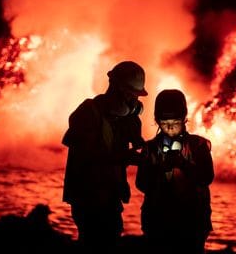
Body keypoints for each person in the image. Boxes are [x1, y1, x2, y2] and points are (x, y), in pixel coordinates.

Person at [62, 60, 148, 251]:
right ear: (118, 90)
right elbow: (90, 157)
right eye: (131, 95)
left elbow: (127, 146)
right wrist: (127, 157)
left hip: (110, 197)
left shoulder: (120, 118)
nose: (134, 102)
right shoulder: (88, 113)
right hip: (88, 199)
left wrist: (137, 138)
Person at [136, 89, 214, 253]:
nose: (170, 128)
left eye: (175, 122)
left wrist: (183, 166)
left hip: (192, 223)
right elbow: (141, 183)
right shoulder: (149, 148)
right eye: (165, 123)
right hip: (158, 222)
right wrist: (160, 170)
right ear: (157, 120)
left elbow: (207, 177)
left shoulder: (199, 146)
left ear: (185, 118)